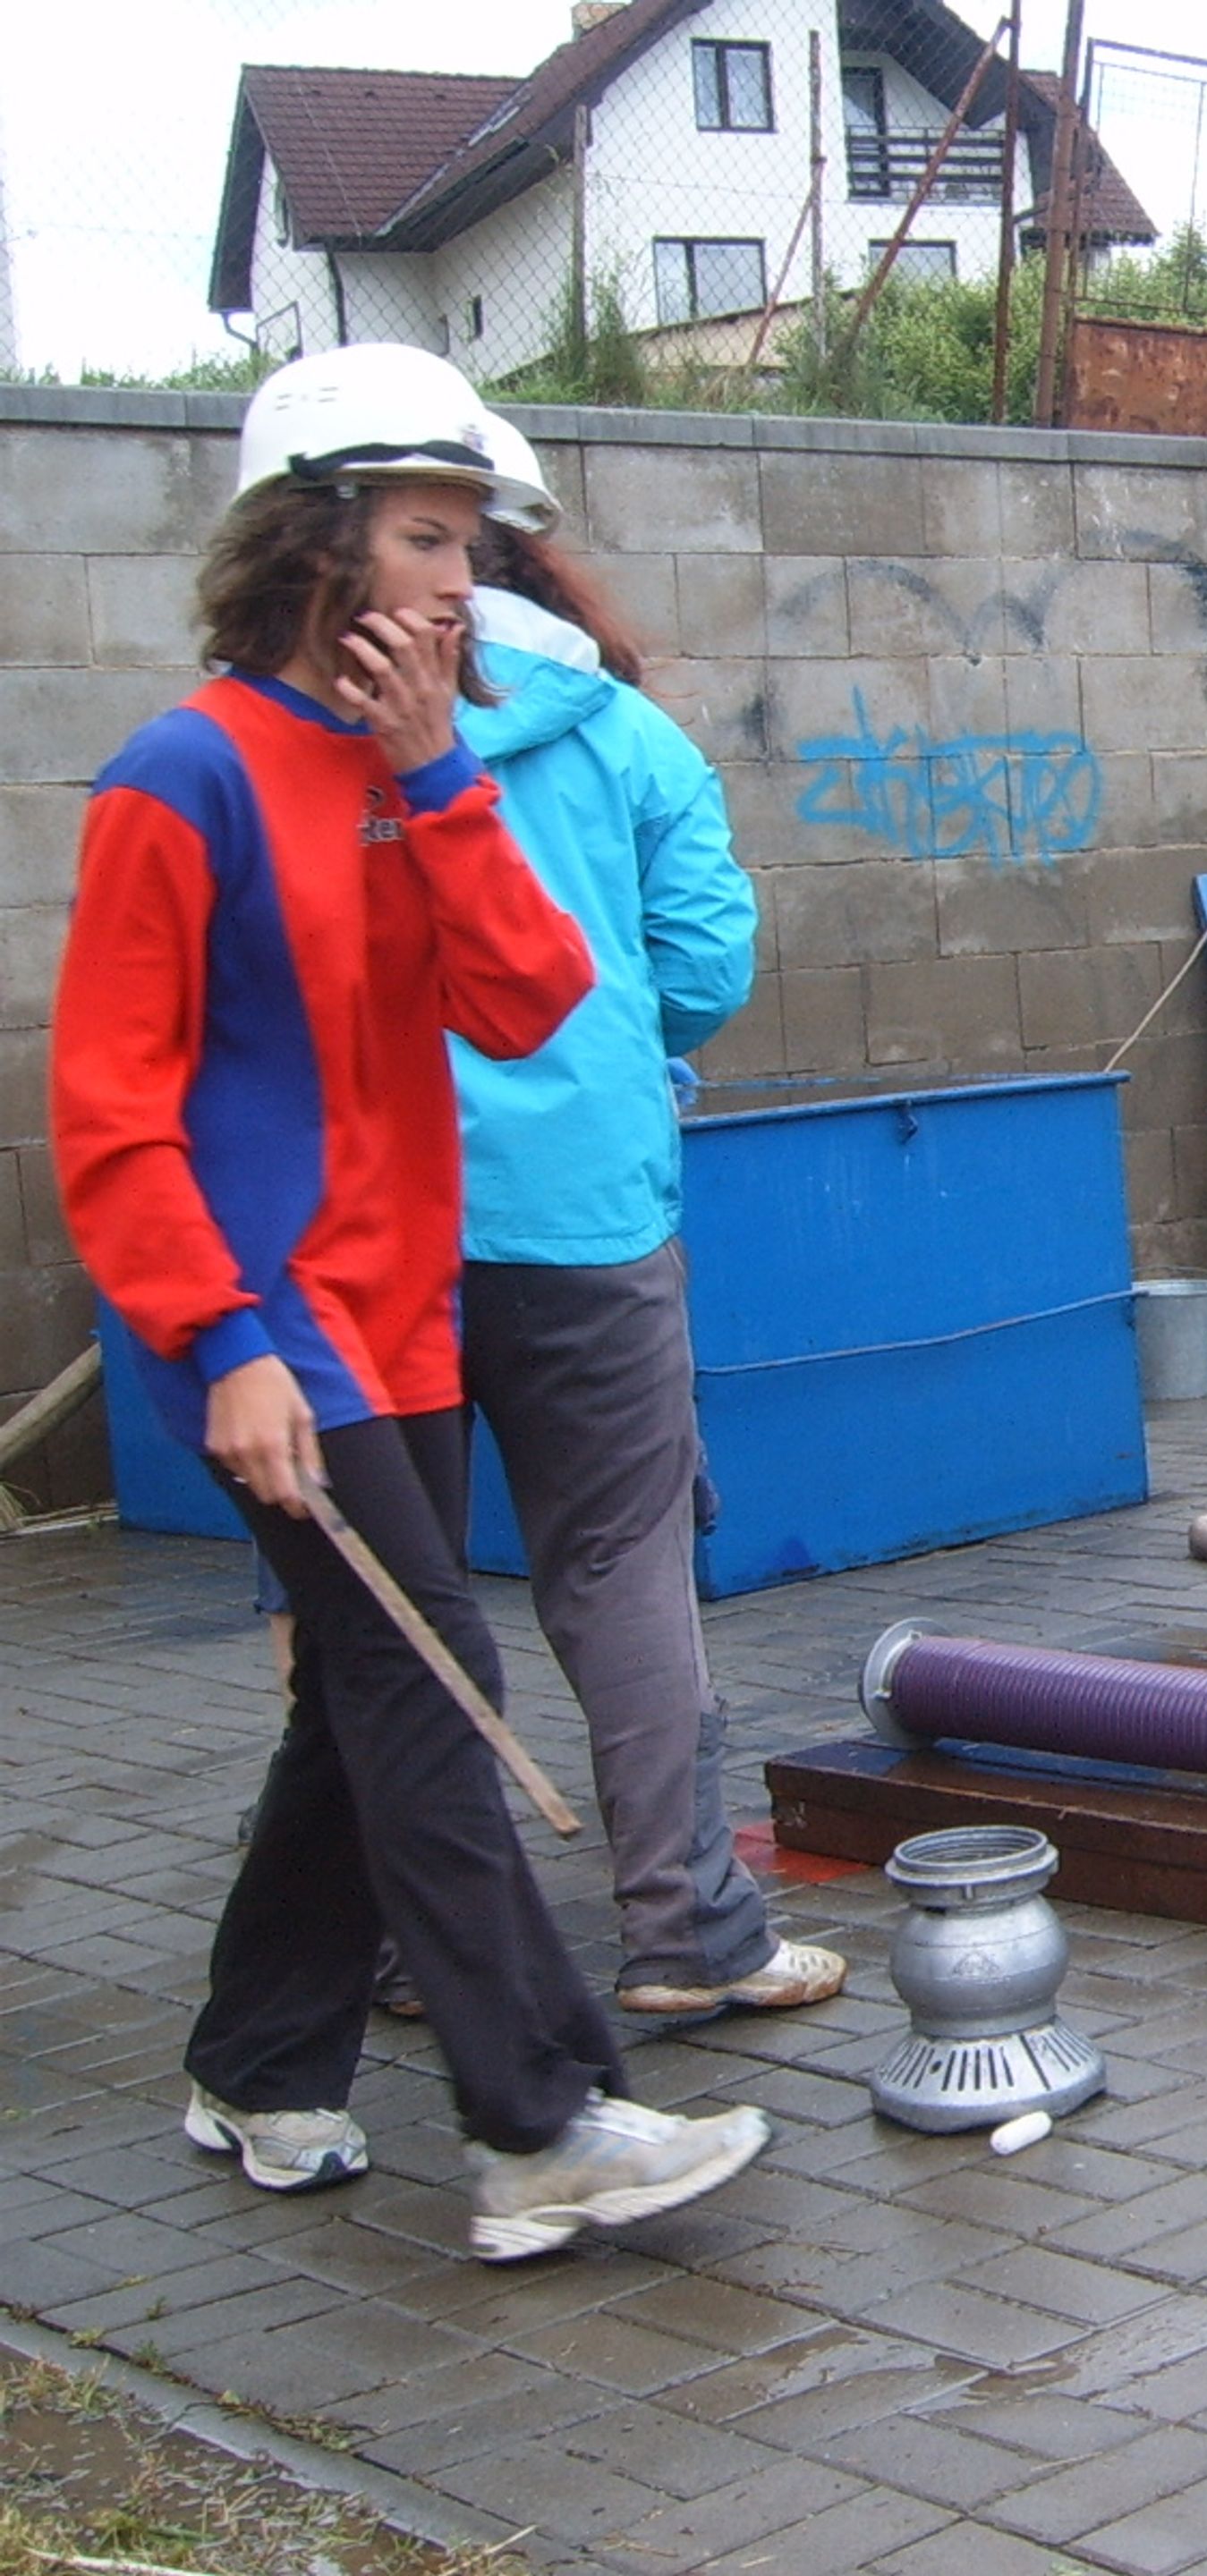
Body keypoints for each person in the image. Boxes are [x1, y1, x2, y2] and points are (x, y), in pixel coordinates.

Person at [50, 344, 769, 2258]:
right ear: (318, 539)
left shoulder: (406, 767)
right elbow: (115, 1112)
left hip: (412, 1324)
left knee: (357, 1710)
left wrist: (440, 772)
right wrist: (219, 1345)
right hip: (286, 1346)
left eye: (473, 540)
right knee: (431, 1689)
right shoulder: (180, 777)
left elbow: (534, 1000)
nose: (472, 581)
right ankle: (539, 2120)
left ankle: (261, 2062)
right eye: (434, 538)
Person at [454, 457, 846, 2022]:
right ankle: (687, 1931)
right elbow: (703, 965)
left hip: (370, 1220)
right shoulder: (625, 736)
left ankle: (423, 1940)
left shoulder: (303, 742)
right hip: (584, 1214)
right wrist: (621, 1051)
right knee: (622, 1569)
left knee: (385, 1596)